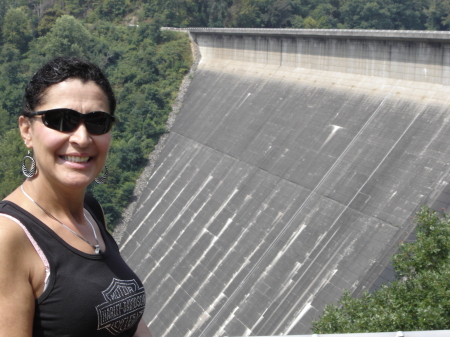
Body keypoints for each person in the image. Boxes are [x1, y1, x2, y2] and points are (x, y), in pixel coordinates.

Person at [0, 57, 152, 337]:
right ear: (26, 130)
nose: (82, 138)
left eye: (97, 121)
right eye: (61, 120)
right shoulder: (8, 237)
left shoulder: (92, 212)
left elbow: (130, 327)